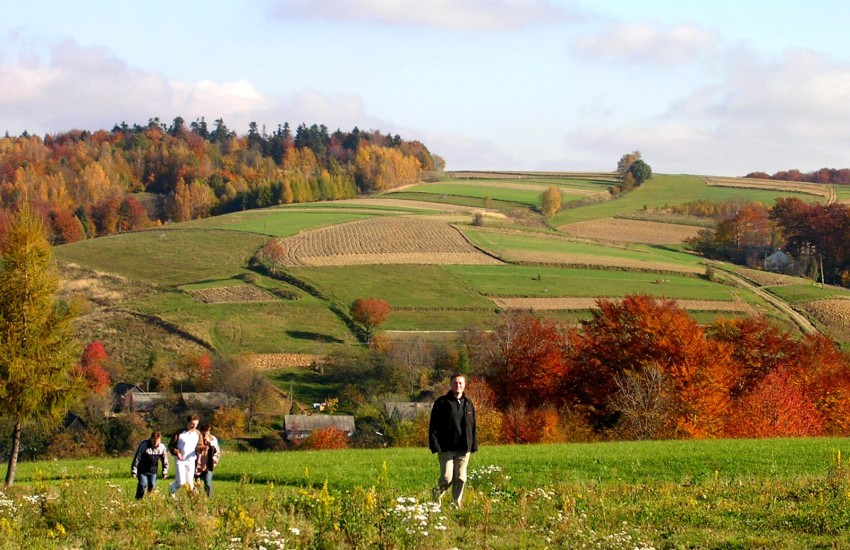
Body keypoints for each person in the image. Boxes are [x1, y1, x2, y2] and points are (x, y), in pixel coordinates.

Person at [429, 373, 478, 508]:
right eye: (455, 383)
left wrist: (473, 445)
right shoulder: (442, 403)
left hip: (463, 448)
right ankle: (436, 497)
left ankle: (456, 504)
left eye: (460, 383)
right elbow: (433, 426)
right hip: (446, 448)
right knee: (447, 477)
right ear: (450, 385)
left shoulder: (468, 404)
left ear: (464, 385)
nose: (458, 385)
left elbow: (473, 427)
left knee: (461, 478)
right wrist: (435, 445)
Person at [168, 414, 201, 496]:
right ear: (188, 422)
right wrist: (177, 452)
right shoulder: (179, 433)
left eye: (196, 424)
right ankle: (171, 489)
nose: (194, 426)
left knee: (190, 482)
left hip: (191, 460)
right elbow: (171, 445)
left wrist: (202, 449)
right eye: (192, 424)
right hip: (180, 460)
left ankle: (192, 500)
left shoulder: (197, 433)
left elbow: (200, 445)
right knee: (181, 481)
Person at [131, 431, 169, 499]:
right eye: (154, 441)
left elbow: (165, 460)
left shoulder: (162, 447)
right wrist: (134, 471)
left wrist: (164, 472)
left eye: (157, 441)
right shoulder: (144, 445)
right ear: (151, 439)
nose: (156, 443)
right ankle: (138, 499)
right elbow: (137, 458)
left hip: (153, 471)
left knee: (152, 486)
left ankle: (150, 501)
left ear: (160, 440)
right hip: (142, 471)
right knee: (143, 484)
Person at [194, 424, 220, 497]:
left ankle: (209, 498)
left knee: (208, 483)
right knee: (196, 484)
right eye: (204, 431)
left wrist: (214, 461)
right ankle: (196, 499)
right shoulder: (196, 440)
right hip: (197, 465)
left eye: (207, 431)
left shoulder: (213, 440)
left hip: (208, 465)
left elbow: (217, 453)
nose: (206, 433)